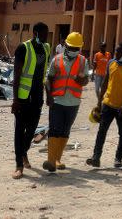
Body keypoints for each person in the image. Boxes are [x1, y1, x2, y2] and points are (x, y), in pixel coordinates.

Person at [86, 42, 122, 168]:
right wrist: (99, 101)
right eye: (115, 51)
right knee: (102, 131)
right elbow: (105, 82)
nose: (116, 53)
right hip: (108, 104)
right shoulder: (111, 63)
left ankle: (118, 158)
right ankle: (96, 157)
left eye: (118, 51)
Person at [43, 31, 89, 172]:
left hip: (73, 102)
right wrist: (49, 96)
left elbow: (85, 80)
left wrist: (80, 78)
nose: (74, 51)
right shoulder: (56, 59)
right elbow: (49, 79)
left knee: (65, 131)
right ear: (66, 45)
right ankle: (50, 160)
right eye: (72, 48)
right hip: (57, 101)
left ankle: (57, 159)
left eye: (77, 48)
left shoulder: (83, 61)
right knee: (54, 129)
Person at [11, 22, 51, 179]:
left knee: (32, 129)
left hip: (37, 96)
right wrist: (15, 100)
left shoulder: (46, 48)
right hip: (22, 96)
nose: (45, 37)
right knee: (19, 131)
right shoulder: (23, 48)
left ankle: (23, 153)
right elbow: (17, 75)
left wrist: (48, 94)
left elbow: (44, 74)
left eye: (47, 34)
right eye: (43, 34)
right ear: (35, 33)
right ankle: (19, 165)